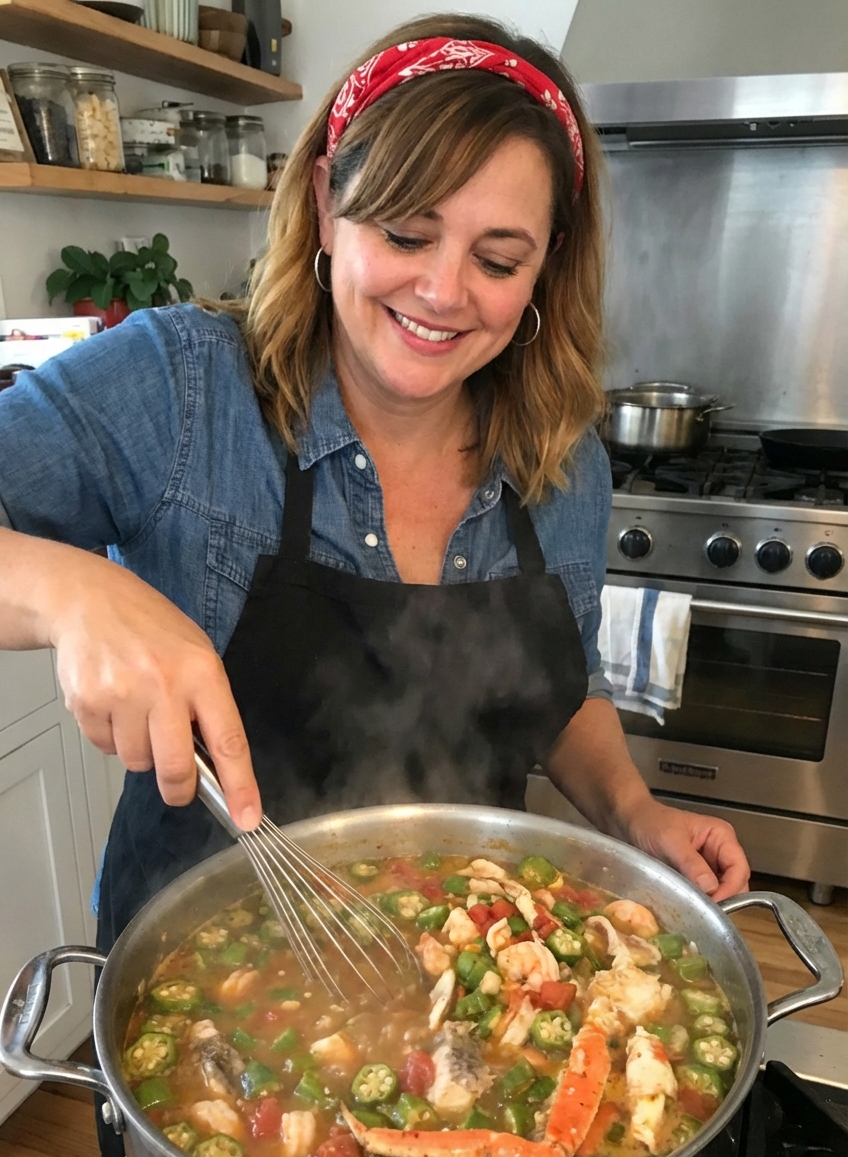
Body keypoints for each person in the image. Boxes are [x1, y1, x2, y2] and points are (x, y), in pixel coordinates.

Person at [0, 19, 749, 967]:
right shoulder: (182, 388)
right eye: (406, 231)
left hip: (475, 963)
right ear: (325, 202)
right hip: (193, 975)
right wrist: (69, 593)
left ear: (547, 266)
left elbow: (564, 691)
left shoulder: (563, 460)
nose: (443, 291)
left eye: (498, 259)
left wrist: (636, 813)